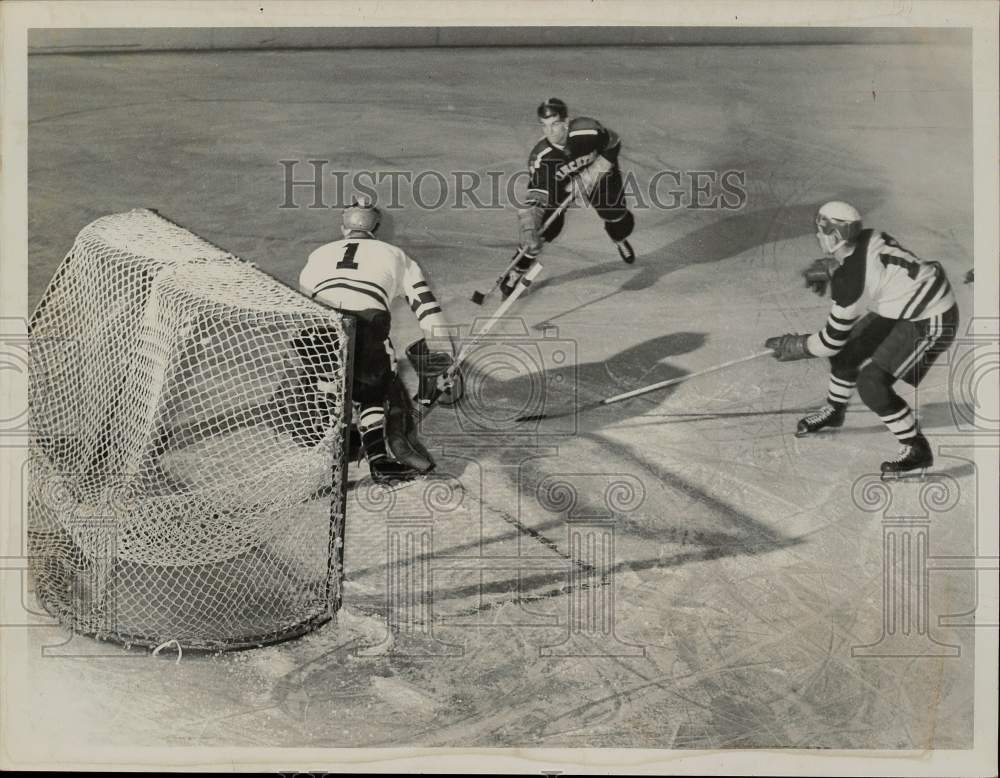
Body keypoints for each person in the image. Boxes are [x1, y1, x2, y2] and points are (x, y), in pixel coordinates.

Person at [765, 200, 958, 479]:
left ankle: (917, 449)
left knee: (872, 383)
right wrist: (835, 267)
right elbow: (869, 263)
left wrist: (798, 346)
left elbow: (829, 341)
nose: (817, 235)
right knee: (846, 354)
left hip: (931, 316)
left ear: (835, 235)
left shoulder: (852, 286)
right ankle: (835, 410)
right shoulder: (869, 236)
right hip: (904, 302)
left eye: (822, 229)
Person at [297, 196, 457, 488]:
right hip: (366, 325)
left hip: (316, 331)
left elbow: (305, 300)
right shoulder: (396, 255)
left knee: (329, 379)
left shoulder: (319, 253)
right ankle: (378, 458)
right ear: (377, 227)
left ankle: (329, 449)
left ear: (343, 227)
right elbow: (427, 310)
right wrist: (443, 356)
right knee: (377, 386)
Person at [500, 97, 636, 298]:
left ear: (566, 121)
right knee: (547, 229)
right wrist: (530, 229)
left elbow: (613, 141)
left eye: (555, 124)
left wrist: (595, 170)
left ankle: (617, 237)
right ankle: (516, 270)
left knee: (616, 217)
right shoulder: (542, 157)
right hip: (561, 186)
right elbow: (536, 198)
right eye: (544, 126)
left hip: (598, 174)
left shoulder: (586, 130)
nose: (550, 131)